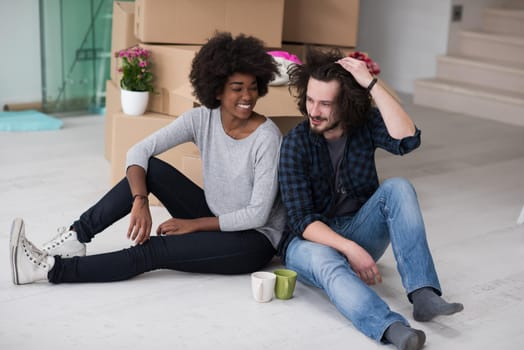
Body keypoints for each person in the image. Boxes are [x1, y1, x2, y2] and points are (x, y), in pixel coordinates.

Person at [10, 32, 287, 285]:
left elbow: (257, 214)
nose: (247, 96)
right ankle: (76, 236)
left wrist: (193, 225)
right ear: (217, 90)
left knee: (152, 251)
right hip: (216, 217)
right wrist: (140, 200)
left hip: (253, 240)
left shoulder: (267, 137)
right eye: (237, 88)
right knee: (150, 169)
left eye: (252, 87)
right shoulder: (201, 119)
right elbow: (138, 152)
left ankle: (48, 270)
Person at [277, 48, 463, 350]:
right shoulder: (295, 143)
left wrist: (372, 84)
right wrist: (350, 249)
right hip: (309, 243)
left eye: (325, 103)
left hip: (356, 228)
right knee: (327, 261)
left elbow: (407, 139)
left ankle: (424, 295)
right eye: (310, 100)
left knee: (399, 187)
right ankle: (390, 327)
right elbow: (301, 221)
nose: (314, 110)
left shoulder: (363, 125)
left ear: (346, 104)